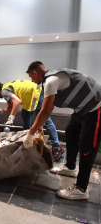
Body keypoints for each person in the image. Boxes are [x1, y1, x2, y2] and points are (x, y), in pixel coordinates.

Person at [24, 61, 101, 200]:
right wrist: (38, 128)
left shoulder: (51, 81)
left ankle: (81, 189)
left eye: (31, 76)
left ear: (35, 73)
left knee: (87, 147)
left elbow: (46, 111)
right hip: (83, 109)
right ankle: (70, 167)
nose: (31, 80)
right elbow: (49, 108)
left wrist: (30, 133)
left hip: (97, 107)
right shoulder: (52, 79)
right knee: (71, 133)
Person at [0, 80, 63, 161]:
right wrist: (1, 110)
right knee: (25, 115)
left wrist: (11, 118)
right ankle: (27, 140)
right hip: (34, 93)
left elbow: (17, 102)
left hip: (36, 93)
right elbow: (10, 108)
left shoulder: (4, 92)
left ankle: (56, 147)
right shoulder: (8, 87)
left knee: (45, 119)